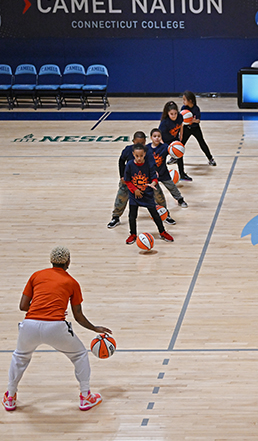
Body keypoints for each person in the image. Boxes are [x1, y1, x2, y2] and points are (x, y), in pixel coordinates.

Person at [4, 246, 111, 412]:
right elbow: (78, 316)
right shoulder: (72, 282)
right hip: (56, 327)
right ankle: (85, 397)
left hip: (30, 325)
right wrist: (95, 328)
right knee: (80, 354)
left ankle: (10, 397)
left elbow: (23, 306)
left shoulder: (36, 275)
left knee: (20, 357)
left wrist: (40, 309)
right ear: (68, 261)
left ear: (51, 261)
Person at [107, 131, 176, 228]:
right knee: (121, 196)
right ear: (133, 141)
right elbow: (121, 161)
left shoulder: (148, 151)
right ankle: (116, 217)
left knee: (159, 195)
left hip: (145, 179)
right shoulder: (127, 150)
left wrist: (154, 173)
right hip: (130, 179)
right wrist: (122, 176)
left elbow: (153, 164)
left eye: (142, 143)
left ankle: (165, 214)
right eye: (137, 142)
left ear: (145, 142)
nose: (140, 145)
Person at [123, 143, 174, 244]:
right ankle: (133, 234)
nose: (139, 158)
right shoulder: (129, 165)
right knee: (132, 215)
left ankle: (162, 232)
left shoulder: (149, 164)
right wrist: (135, 190)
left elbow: (154, 177)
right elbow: (127, 180)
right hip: (134, 195)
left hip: (147, 194)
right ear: (133, 154)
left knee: (155, 215)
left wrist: (153, 183)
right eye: (137, 156)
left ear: (145, 154)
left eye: (141, 156)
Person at [148, 128, 188, 212]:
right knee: (154, 191)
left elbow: (173, 153)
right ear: (151, 137)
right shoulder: (146, 148)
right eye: (155, 136)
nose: (157, 138)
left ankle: (180, 200)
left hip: (163, 173)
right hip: (152, 174)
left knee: (172, 187)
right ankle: (156, 205)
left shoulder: (165, 147)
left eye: (159, 136)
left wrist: (178, 150)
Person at [181, 91, 216, 166]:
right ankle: (175, 157)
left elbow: (198, 120)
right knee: (181, 143)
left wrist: (193, 120)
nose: (183, 101)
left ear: (190, 100)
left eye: (184, 99)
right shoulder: (183, 108)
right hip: (186, 128)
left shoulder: (196, 109)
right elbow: (181, 119)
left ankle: (210, 158)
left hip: (195, 128)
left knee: (202, 143)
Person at [159, 101, 192, 182]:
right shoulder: (164, 123)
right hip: (165, 141)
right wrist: (164, 146)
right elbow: (159, 135)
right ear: (168, 113)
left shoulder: (180, 117)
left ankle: (182, 174)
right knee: (161, 158)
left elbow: (181, 124)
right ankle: (160, 175)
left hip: (174, 140)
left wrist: (181, 135)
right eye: (171, 114)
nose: (174, 116)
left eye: (175, 113)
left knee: (180, 155)